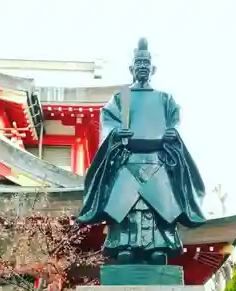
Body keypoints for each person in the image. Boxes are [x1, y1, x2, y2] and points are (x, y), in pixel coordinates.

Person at [77, 38, 206, 265]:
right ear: (131, 68)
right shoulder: (120, 99)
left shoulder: (165, 99)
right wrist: (117, 134)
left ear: (153, 69)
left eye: (146, 63)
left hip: (157, 162)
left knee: (159, 209)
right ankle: (124, 245)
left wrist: (171, 135)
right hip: (128, 162)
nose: (143, 67)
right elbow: (108, 126)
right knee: (127, 208)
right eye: (138, 63)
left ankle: (160, 247)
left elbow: (174, 124)